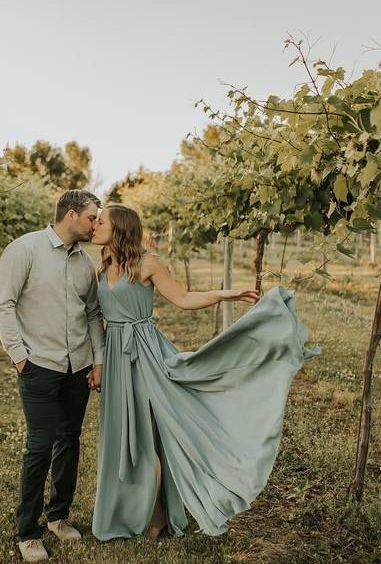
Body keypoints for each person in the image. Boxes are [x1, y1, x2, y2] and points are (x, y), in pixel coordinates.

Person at [89, 204, 320, 541]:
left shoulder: (146, 262)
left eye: (101, 221)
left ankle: (156, 518)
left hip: (145, 355)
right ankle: (142, 513)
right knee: (125, 438)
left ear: (120, 227)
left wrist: (225, 294)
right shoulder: (103, 265)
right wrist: (98, 364)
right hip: (116, 357)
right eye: (95, 221)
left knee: (144, 440)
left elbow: (182, 298)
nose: (95, 225)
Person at [0, 189, 106, 563]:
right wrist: (20, 358)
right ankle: (28, 532)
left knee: (69, 441)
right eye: (92, 217)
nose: (96, 224)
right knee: (39, 446)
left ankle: (58, 516)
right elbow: (2, 305)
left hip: (78, 368)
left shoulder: (85, 262)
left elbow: (91, 314)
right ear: (71, 214)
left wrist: (98, 360)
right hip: (38, 365)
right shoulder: (24, 250)